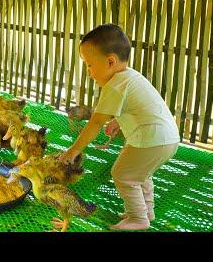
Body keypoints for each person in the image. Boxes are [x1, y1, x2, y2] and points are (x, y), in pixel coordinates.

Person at [58, 23, 179, 231]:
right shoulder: (129, 76)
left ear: (110, 61)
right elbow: (138, 107)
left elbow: (95, 122)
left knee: (123, 174)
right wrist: (117, 120)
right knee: (141, 174)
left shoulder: (114, 86)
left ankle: (138, 217)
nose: (88, 71)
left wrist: (73, 150)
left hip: (150, 140)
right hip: (167, 139)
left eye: (89, 64)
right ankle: (146, 210)